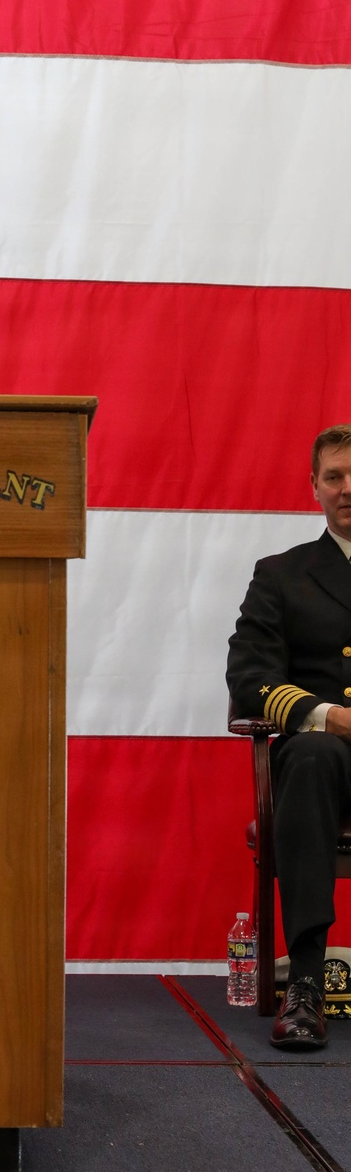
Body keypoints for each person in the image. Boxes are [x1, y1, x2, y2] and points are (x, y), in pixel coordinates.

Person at [227, 423, 351, 1051]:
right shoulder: (282, 574)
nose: (347, 488)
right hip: (328, 765)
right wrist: (329, 716)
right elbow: (249, 678)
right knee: (309, 756)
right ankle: (305, 983)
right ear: (314, 488)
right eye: (335, 476)